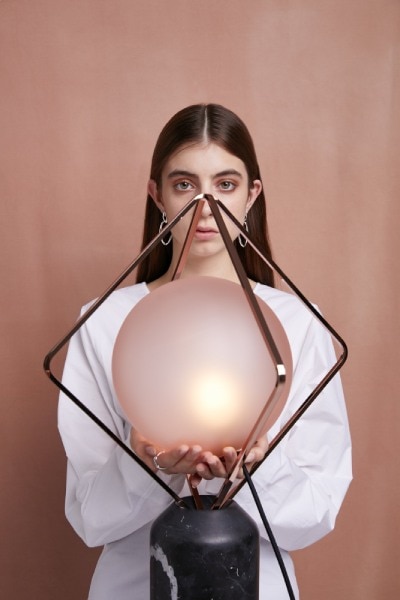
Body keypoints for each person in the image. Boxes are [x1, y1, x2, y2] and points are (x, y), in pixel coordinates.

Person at [58, 103, 352, 599]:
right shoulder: (105, 321)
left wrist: (258, 469)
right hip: (136, 583)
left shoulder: (299, 324)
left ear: (252, 195)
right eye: (184, 184)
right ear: (158, 196)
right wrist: (144, 461)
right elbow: (89, 518)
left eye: (226, 184)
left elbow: (315, 516)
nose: (205, 204)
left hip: (257, 584)